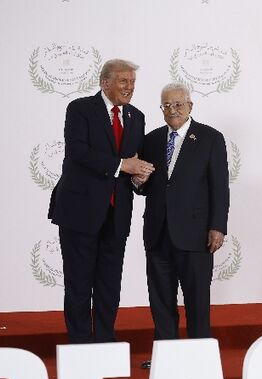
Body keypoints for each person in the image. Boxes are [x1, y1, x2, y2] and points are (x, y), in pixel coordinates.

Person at [48, 59, 154, 344]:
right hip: (79, 212)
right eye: (123, 81)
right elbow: (78, 153)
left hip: (117, 214)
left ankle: (106, 341)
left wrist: (139, 177)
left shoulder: (137, 117)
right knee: (79, 283)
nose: (129, 87)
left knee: (109, 284)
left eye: (132, 82)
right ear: (105, 83)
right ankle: (80, 344)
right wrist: (122, 165)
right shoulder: (80, 109)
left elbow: (134, 163)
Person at [134, 82, 230, 363]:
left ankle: (199, 358)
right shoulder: (151, 140)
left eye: (178, 104)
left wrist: (218, 226)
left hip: (196, 234)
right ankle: (167, 358)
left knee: (197, 301)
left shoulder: (210, 138)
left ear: (190, 106)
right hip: (158, 233)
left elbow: (220, 187)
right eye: (166, 105)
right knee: (161, 301)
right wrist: (138, 182)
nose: (172, 110)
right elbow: (144, 185)